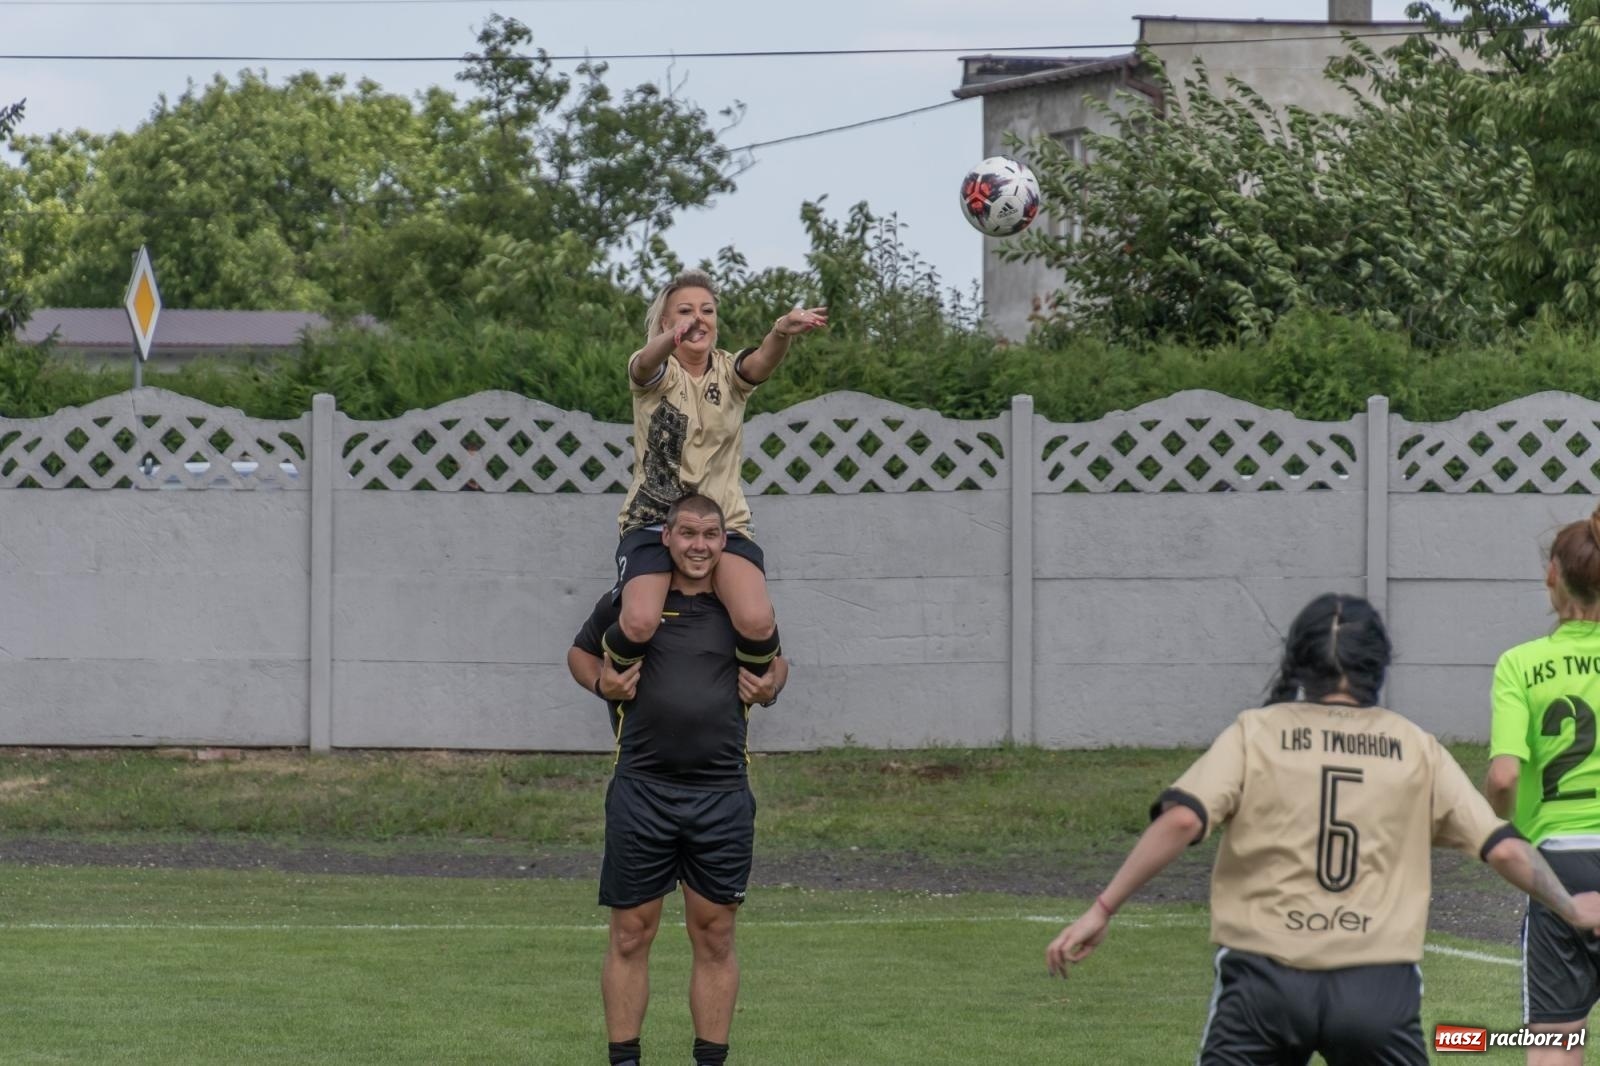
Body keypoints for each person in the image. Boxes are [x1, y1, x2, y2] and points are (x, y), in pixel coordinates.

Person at [1045, 593, 1600, 1066]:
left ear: (1297, 661)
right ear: (1379, 663)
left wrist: (1102, 908)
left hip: (1262, 986)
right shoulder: (1413, 746)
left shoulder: (1256, 733)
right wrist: (1572, 909)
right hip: (1377, 991)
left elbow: (1185, 818)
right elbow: (1502, 849)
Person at [568, 493, 788, 1066]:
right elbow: (579, 654)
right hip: (643, 790)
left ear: (725, 542)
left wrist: (773, 685)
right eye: (687, 534)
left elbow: (779, 660)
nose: (698, 545)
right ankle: (625, 1061)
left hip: (721, 796)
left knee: (714, 936)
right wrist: (601, 685)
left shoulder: (739, 607)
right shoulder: (633, 601)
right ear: (665, 538)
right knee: (630, 935)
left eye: (710, 535)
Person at [599, 269, 825, 689]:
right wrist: (672, 340)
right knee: (640, 621)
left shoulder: (727, 372)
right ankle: (613, 681)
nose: (698, 318)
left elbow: (759, 362)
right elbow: (644, 361)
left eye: (707, 310)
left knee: (757, 621)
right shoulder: (656, 372)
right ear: (666, 324)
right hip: (653, 519)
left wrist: (781, 331)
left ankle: (748, 699)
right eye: (685, 311)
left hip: (723, 523)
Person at [1487, 503, 1600, 1064]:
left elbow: (1504, 774)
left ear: (1552, 575)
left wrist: (1501, 820)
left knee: (1555, 1043)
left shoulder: (1519, 664)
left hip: (1561, 867)